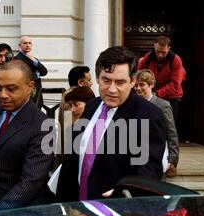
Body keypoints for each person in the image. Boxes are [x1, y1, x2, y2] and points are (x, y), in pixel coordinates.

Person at [56, 46, 167, 202]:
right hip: (77, 209)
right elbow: (73, 159)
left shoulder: (149, 114)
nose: (112, 89)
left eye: (120, 82)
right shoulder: (91, 106)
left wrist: (128, 191)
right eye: (106, 80)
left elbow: (149, 168)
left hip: (115, 213)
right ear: (97, 78)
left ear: (133, 81)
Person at [0, 60, 54, 214]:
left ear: (30, 87)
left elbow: (30, 183)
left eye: (11, 89)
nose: (3, 95)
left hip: (22, 215)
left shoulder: (45, 126)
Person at [134, 69, 179, 177]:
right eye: (136, 85)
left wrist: (173, 159)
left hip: (158, 158)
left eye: (142, 85)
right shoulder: (133, 105)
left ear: (151, 85)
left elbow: (171, 132)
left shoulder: (163, 105)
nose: (138, 88)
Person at [138, 36, 186, 122]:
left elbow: (175, 85)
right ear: (154, 46)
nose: (160, 55)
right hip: (153, 95)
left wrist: (156, 94)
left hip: (171, 97)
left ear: (169, 48)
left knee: (169, 124)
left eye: (163, 52)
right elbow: (139, 76)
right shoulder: (148, 57)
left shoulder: (176, 60)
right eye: (158, 52)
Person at [14, 36, 48, 108]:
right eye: (25, 43)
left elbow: (44, 72)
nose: (28, 45)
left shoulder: (33, 58)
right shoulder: (17, 59)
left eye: (29, 43)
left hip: (37, 91)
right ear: (20, 45)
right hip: (27, 92)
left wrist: (34, 60)